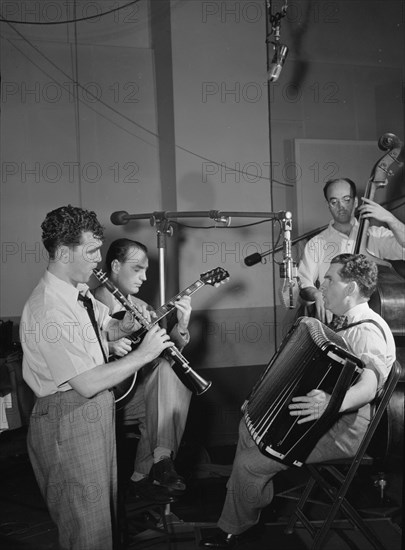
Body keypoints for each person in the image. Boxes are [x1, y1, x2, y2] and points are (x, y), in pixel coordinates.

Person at [200, 253, 395, 548]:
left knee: (252, 463)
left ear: (351, 288)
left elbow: (369, 384)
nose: (322, 284)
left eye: (330, 279)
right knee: (247, 427)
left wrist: (332, 402)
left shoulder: (367, 330)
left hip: (348, 428)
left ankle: (235, 528)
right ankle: (247, 505)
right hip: (327, 416)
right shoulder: (343, 323)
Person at [20, 205, 173, 550]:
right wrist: (144, 354)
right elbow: (87, 382)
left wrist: (127, 325)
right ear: (62, 252)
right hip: (68, 418)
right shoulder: (49, 308)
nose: (98, 259)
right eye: (90, 251)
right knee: (87, 532)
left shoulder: (78, 292)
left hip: (92, 415)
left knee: (104, 523)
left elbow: (105, 329)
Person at [93, 238, 192, 501]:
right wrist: (110, 345)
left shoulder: (142, 309)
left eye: (146, 270)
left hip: (133, 394)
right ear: (115, 265)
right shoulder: (87, 305)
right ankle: (145, 475)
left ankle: (152, 470)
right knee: (161, 406)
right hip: (97, 395)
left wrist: (181, 325)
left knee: (170, 384)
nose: (145, 277)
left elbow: (169, 354)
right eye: (137, 269)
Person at [298, 177, 405, 323]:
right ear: (328, 205)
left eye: (346, 199)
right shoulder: (316, 244)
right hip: (334, 323)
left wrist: (390, 218)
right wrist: (317, 294)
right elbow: (304, 284)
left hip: (371, 318)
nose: (340, 206)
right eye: (334, 201)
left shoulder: (375, 235)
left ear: (355, 202)